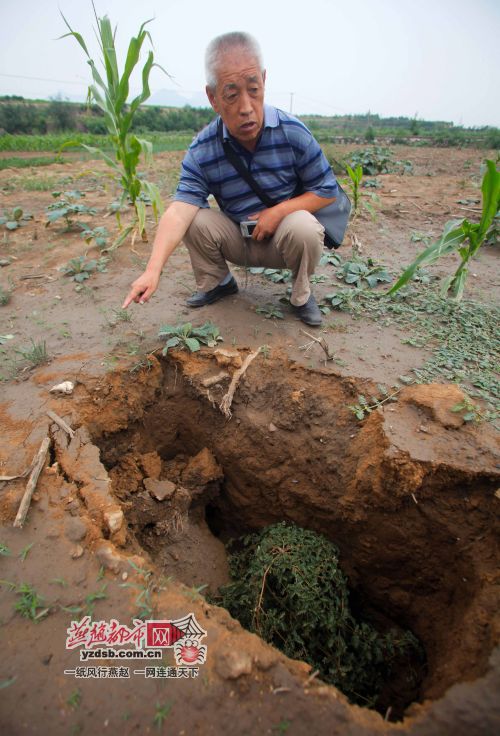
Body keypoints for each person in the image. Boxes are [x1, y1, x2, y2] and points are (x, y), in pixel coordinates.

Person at [123, 32, 339, 326]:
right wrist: (152, 269)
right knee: (193, 218)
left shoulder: (292, 132)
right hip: (239, 237)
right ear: (213, 98)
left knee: (304, 226)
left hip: (284, 239)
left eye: (253, 89)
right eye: (232, 94)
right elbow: (178, 212)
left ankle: (301, 296)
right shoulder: (203, 149)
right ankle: (218, 283)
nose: (247, 107)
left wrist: (278, 212)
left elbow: (327, 190)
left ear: (263, 80)